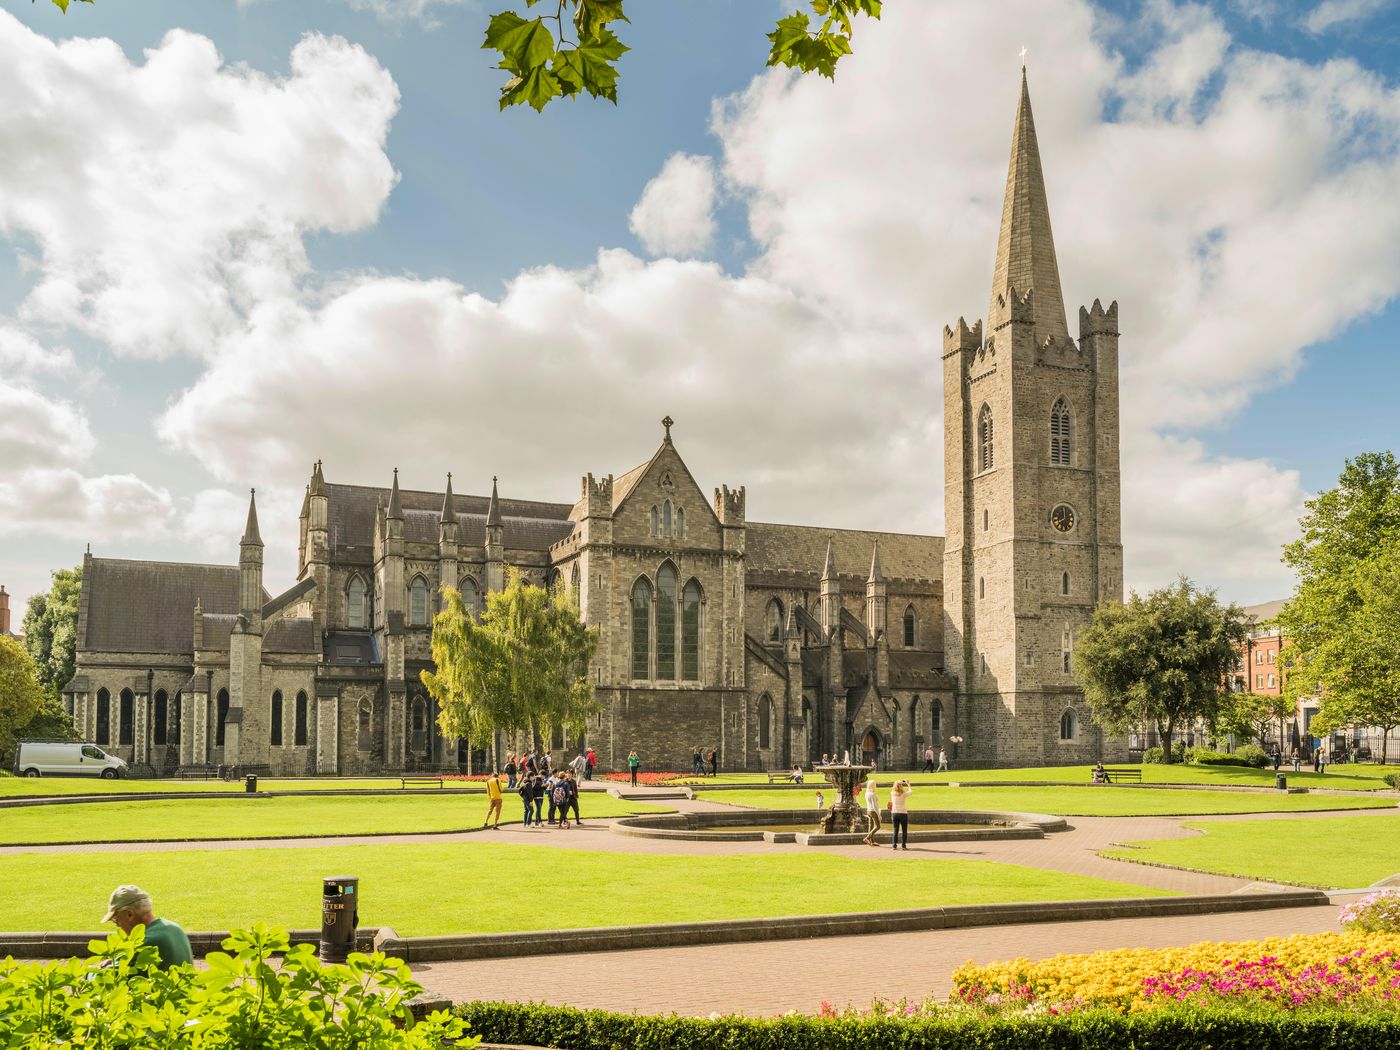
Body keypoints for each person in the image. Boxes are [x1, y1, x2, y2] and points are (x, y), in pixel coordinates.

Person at [103, 886, 193, 969]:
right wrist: (115, 962)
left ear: (129, 914)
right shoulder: (175, 928)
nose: (118, 925)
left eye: (116, 920)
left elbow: (107, 978)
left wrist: (92, 972)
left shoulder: (144, 943)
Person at [889, 779, 912, 850]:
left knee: (895, 830)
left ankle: (894, 845)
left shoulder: (892, 793)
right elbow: (911, 791)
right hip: (903, 813)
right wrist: (908, 784)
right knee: (904, 830)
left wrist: (898, 782)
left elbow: (895, 786)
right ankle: (903, 846)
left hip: (894, 812)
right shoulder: (903, 794)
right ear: (901, 786)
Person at [861, 776, 882, 846]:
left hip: (868, 811)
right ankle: (867, 838)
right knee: (878, 826)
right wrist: (879, 815)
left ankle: (872, 841)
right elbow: (875, 806)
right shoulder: (872, 794)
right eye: (875, 784)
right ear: (873, 785)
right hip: (873, 811)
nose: (876, 786)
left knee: (871, 826)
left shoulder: (867, 793)